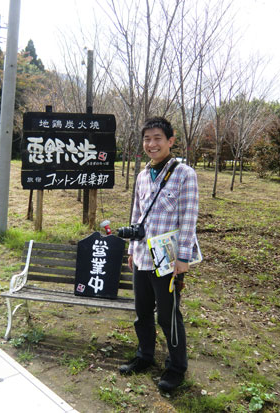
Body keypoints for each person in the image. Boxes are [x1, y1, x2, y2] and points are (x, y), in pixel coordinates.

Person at [119, 116, 199, 393]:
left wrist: (184, 259)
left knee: (168, 316)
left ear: (170, 141)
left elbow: (189, 219)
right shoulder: (143, 175)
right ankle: (144, 356)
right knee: (142, 313)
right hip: (142, 255)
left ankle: (176, 368)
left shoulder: (184, 174)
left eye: (157, 139)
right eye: (147, 139)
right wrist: (131, 249)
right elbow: (137, 215)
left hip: (168, 258)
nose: (151, 144)